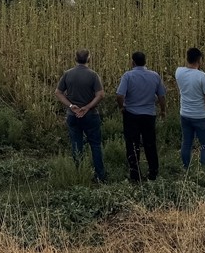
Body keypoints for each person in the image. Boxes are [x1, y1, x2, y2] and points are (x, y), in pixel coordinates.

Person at [54, 49, 106, 182]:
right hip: (91, 115)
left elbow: (58, 93)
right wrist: (88, 107)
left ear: (75, 59)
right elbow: (100, 95)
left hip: (73, 115)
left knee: (76, 144)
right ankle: (100, 175)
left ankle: (79, 173)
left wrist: (71, 106)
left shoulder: (67, 74)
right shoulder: (93, 75)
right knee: (95, 145)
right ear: (89, 59)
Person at [115, 51, 166, 182]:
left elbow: (120, 95)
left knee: (132, 144)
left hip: (131, 115)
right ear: (145, 61)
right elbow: (161, 96)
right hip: (149, 115)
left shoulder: (128, 76)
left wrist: (122, 107)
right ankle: (153, 172)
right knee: (150, 144)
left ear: (132, 62)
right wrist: (163, 110)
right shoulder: (155, 76)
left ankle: (135, 174)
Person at [176, 47, 205, 169]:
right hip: (201, 115)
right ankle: (204, 169)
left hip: (185, 114)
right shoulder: (202, 76)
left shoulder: (179, 72)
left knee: (186, 142)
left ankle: (186, 168)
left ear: (187, 58)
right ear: (199, 60)